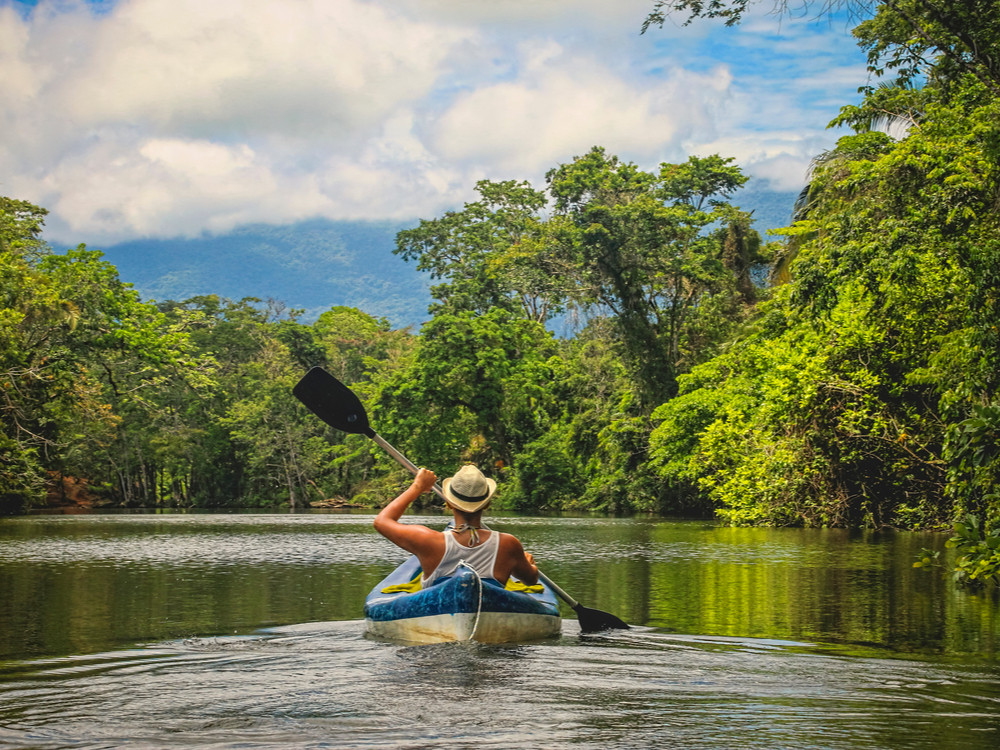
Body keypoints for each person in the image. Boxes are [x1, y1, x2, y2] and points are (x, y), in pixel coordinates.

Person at [373, 464, 539, 587]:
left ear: (449, 504)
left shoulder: (428, 540)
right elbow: (530, 580)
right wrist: (528, 563)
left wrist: (417, 487)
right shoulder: (508, 544)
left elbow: (382, 521)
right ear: (487, 504)